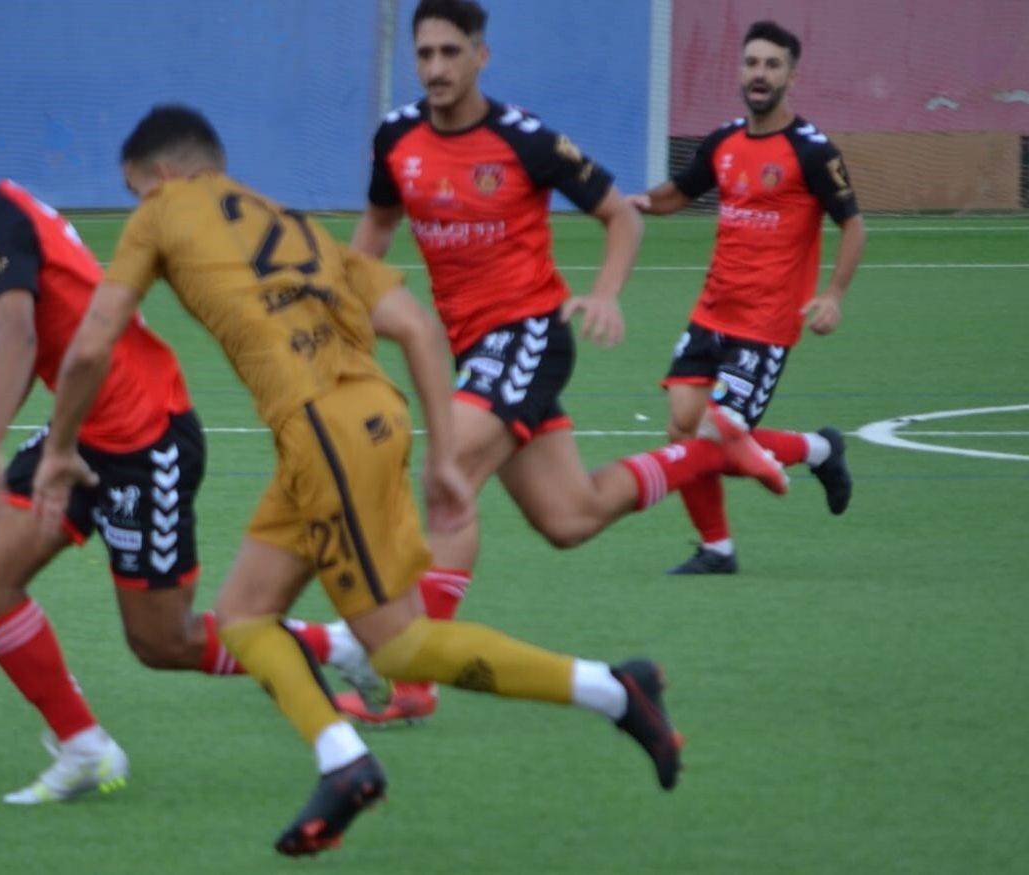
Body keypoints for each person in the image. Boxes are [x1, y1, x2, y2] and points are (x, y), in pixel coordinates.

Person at [32, 104, 686, 857]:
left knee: (401, 647)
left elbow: (87, 351)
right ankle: (344, 762)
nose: (138, 206)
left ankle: (614, 690)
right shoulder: (298, 226)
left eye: (136, 190)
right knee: (245, 616)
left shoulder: (162, 212)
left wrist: (58, 449)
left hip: (324, 433)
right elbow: (415, 327)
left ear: (163, 175)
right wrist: (441, 453)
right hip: (357, 421)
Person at [333, 0, 788, 726]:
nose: (437, 68)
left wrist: (605, 294)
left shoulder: (527, 140)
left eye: (452, 52)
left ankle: (415, 677)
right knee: (568, 517)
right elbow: (380, 225)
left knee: (448, 481)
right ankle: (704, 452)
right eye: (424, 55)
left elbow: (622, 214)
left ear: (482, 56)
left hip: (528, 337)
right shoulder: (398, 136)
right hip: (475, 348)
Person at [0, 114, 354, 805]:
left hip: (145, 438)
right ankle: (83, 746)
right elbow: (38, 333)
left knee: (163, 642)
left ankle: (338, 647)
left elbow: (13, 332)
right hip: (84, 432)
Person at [630, 20, 863, 574]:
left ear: (792, 76)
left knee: (715, 439)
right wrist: (633, 203)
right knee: (683, 430)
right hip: (711, 312)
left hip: (766, 322)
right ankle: (720, 547)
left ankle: (817, 453)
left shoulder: (811, 150)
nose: (760, 74)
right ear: (740, 71)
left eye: (772, 65)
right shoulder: (725, 140)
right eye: (752, 63)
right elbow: (678, 193)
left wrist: (833, 294)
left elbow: (853, 225)